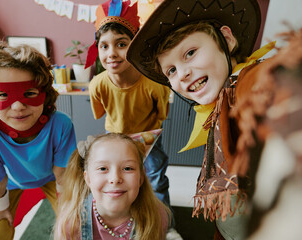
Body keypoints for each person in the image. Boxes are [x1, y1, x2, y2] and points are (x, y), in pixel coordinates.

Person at [126, 0, 277, 239]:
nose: (183, 73)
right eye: (171, 71)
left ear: (226, 39)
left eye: (190, 53)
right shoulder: (221, 102)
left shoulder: (256, 84)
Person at [85, 1, 181, 237]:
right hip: (115, 139)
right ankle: (123, 220)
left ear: (135, 45)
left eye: (121, 44)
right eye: (104, 46)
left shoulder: (154, 83)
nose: (111, 54)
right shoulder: (97, 84)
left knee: (156, 180)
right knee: (116, 181)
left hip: (150, 136)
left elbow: (162, 115)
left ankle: (166, 227)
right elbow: (100, 112)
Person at [0, 41, 77, 240]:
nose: (18, 106)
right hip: (10, 185)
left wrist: (68, 205)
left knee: (75, 226)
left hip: (53, 180)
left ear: (44, 91)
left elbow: (63, 173)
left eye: (29, 93)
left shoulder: (60, 124)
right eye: (3, 95)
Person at [54, 133, 171, 240]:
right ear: (88, 178)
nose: (115, 179)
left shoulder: (157, 217)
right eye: (103, 168)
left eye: (127, 168)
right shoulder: (70, 223)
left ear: (141, 178)